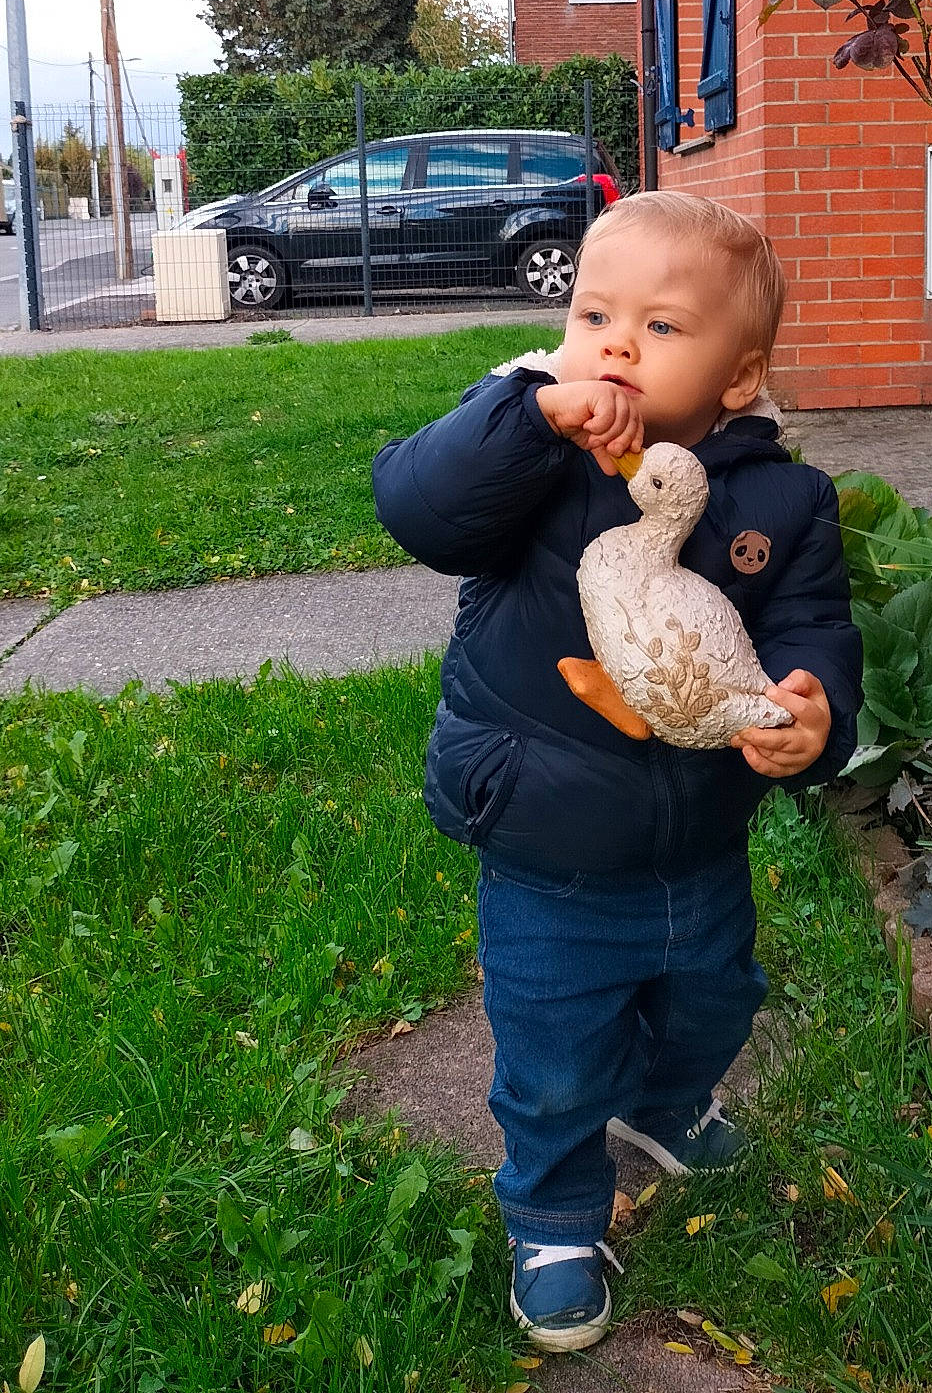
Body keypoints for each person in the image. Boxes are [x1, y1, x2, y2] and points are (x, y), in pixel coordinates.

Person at [372, 190, 861, 1352]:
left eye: (662, 326)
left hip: (698, 835)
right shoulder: (528, 450)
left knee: (716, 995)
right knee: (552, 1051)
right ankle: (549, 1214)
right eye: (595, 311)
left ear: (739, 380)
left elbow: (811, 626)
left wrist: (813, 708)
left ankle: (663, 1100)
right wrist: (533, 415)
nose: (618, 342)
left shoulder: (782, 498)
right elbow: (419, 506)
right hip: (544, 836)